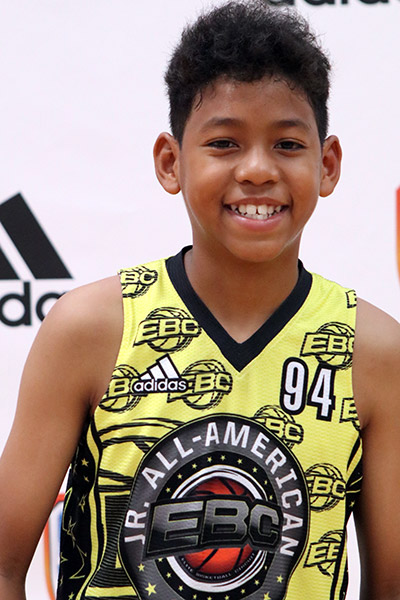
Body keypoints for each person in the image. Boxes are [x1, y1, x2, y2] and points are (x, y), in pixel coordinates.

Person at [1, 1, 399, 599]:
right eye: (225, 143)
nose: (258, 170)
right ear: (171, 162)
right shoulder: (92, 328)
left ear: (328, 164)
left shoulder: (374, 352)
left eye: (287, 144)